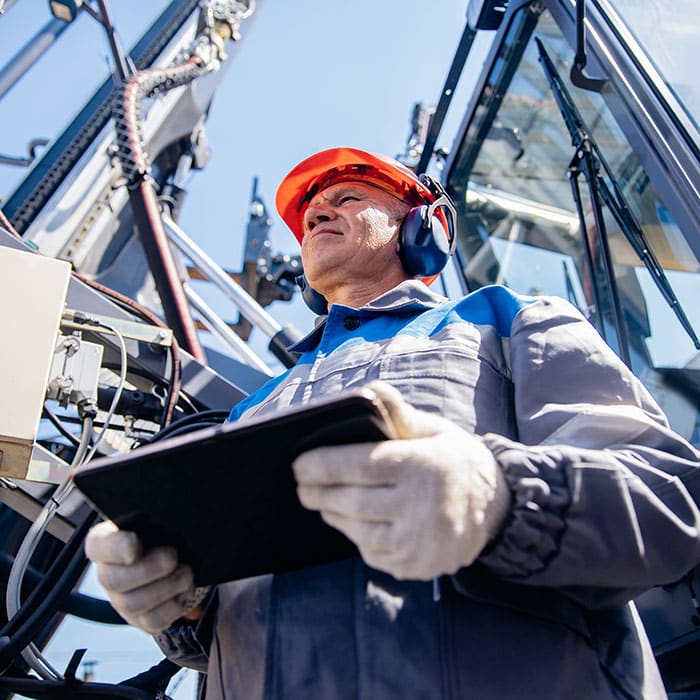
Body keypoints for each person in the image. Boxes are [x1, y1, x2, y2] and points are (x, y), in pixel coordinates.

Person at [86, 148, 700, 699]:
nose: (317, 215)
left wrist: (500, 497)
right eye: (309, 216)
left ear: (420, 225)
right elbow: (229, 632)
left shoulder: (509, 322)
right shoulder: (252, 410)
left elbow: (669, 496)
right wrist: (183, 606)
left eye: (346, 198)